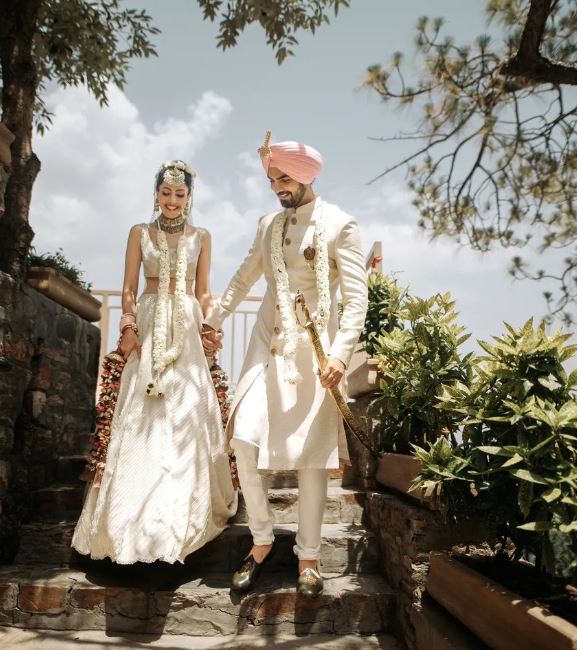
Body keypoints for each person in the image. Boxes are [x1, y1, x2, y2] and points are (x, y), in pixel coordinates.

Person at [202, 133, 368, 597]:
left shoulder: (340, 225)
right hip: (267, 344)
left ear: (305, 175)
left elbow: (356, 300)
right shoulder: (267, 226)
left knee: (312, 458)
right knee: (242, 439)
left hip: (315, 353)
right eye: (272, 180)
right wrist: (211, 322)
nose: (277, 187)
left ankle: (308, 557)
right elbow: (243, 279)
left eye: (284, 178)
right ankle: (261, 540)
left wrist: (340, 354)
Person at [72, 160, 237, 563]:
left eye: (180, 194)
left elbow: (203, 291)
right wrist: (128, 326)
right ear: (156, 194)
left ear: (189, 197)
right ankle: (128, 522)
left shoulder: (201, 236)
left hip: (187, 328)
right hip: (147, 322)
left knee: (187, 411)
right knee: (140, 413)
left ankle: (178, 521)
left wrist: (211, 328)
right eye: (166, 193)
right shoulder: (139, 233)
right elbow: (128, 288)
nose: (172, 201)